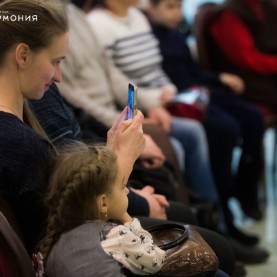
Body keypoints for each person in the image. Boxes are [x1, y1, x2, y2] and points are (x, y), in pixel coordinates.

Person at [59, 0, 219, 204]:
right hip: (99, 119)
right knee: (172, 147)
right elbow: (71, 94)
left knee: (193, 131)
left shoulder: (76, 14)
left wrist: (151, 105)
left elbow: (113, 73)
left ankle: (208, 212)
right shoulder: (75, 20)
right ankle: (181, 216)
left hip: (116, 110)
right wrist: (117, 119)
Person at [147, 0, 265, 232]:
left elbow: (194, 73)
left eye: (179, 7)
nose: (176, 14)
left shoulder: (176, 35)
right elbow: (173, 82)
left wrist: (219, 78)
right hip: (179, 99)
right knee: (225, 129)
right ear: (151, 8)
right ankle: (224, 213)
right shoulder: (152, 38)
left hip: (197, 91)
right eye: (169, 7)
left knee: (253, 117)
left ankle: (244, 188)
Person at [0, 0, 69, 254]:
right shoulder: (25, 148)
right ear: (23, 55)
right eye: (56, 61)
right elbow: (61, 243)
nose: (58, 76)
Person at [39, 143, 166, 276]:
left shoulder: (57, 240)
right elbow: (156, 260)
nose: (127, 190)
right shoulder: (115, 236)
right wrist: (127, 219)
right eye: (122, 186)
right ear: (104, 203)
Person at [207, 0, 277, 110]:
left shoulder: (267, 5)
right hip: (244, 78)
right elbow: (249, 60)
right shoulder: (227, 14)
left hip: (269, 71)